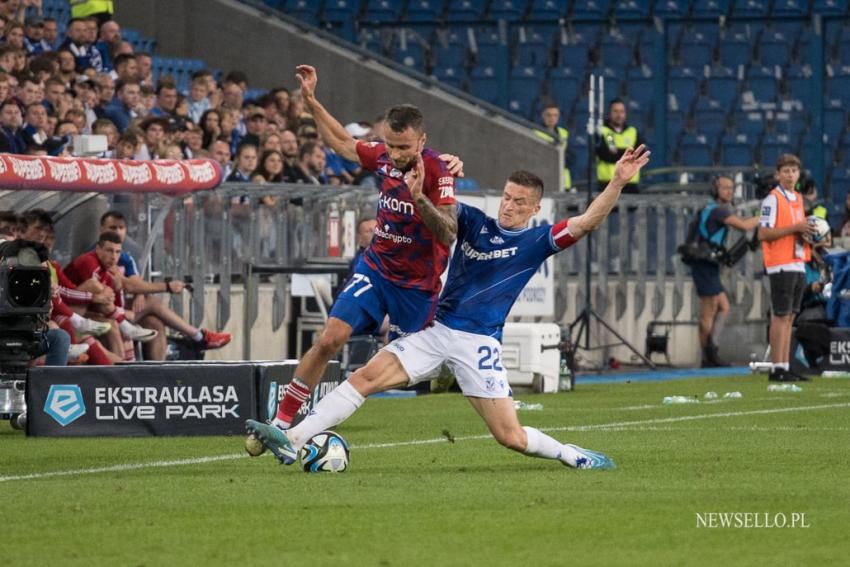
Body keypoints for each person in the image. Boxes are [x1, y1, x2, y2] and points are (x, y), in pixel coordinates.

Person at [247, 146, 651, 469]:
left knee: (510, 437)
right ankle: (294, 438)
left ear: (534, 210)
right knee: (365, 377)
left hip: (479, 343)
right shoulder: (475, 221)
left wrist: (616, 181)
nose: (508, 205)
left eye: (518, 202)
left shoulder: (537, 242)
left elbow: (586, 222)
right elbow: (445, 211)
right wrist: (439, 170)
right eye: (507, 197)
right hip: (437, 330)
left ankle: (569, 454)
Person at [259, 64, 462, 436]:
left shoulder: (438, 171)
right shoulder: (383, 156)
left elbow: (449, 232)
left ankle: (441, 370)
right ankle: (281, 420)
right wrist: (311, 101)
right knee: (329, 338)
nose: (396, 154)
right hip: (376, 270)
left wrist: (419, 198)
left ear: (422, 141)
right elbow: (341, 142)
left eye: (404, 147)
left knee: (407, 371)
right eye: (391, 145)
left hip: (417, 286)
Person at [98, 211, 232, 359]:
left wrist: (140, 293)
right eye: (112, 228)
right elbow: (128, 285)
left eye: (121, 227)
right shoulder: (97, 254)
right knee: (153, 303)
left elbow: (135, 283)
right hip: (102, 315)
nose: (117, 232)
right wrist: (167, 287)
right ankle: (199, 336)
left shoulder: (125, 256)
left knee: (155, 323)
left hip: (120, 309)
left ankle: (157, 375)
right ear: (101, 229)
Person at [758, 154, 816, 382]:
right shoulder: (772, 199)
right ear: (778, 174)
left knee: (790, 316)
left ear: (798, 174)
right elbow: (764, 233)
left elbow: (797, 229)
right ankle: (777, 368)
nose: (790, 174)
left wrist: (806, 234)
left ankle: (784, 364)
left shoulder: (798, 199)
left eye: (793, 170)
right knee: (781, 316)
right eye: (786, 171)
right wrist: (795, 228)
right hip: (781, 264)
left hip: (797, 261)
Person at [690, 175, 759, 367]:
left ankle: (712, 348)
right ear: (715, 190)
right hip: (703, 264)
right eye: (725, 188)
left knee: (723, 307)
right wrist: (763, 215)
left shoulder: (717, 209)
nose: (729, 191)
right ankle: (706, 357)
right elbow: (744, 225)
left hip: (710, 264)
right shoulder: (718, 210)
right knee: (707, 312)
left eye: (731, 188)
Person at [596, 98, 643, 194]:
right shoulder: (603, 132)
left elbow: (639, 153)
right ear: (609, 113)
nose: (619, 115)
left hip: (630, 183)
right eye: (615, 111)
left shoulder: (632, 132)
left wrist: (617, 152)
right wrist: (628, 152)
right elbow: (607, 155)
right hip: (608, 182)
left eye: (622, 111)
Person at [533, 102, 571, 190]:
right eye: (549, 115)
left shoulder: (564, 133)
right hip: (544, 179)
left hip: (564, 181)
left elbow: (571, 157)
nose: (552, 118)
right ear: (543, 115)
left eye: (555, 115)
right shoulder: (536, 133)